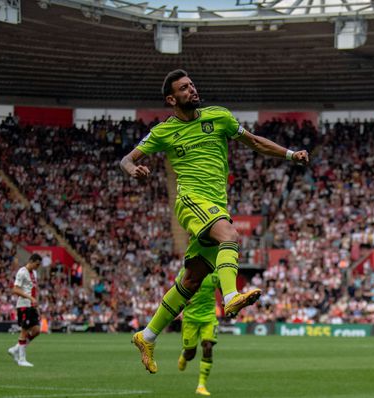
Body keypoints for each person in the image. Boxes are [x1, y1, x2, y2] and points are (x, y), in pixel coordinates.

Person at [120, 69, 309, 373]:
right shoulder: (163, 132)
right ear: (171, 99)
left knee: (192, 280)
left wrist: (290, 155)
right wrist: (133, 170)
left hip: (215, 203)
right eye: (184, 88)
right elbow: (127, 159)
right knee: (229, 235)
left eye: (192, 85)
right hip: (191, 200)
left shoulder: (218, 116)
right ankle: (231, 296)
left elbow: (255, 142)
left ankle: (147, 335)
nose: (192, 90)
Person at [176, 257, 220, 396]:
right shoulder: (185, 271)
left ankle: (201, 385)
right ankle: (184, 355)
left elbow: (224, 289)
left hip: (208, 317)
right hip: (190, 318)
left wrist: (228, 300)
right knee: (191, 353)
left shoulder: (216, 273)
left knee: (207, 347)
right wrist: (182, 300)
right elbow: (176, 289)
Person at [7, 253, 42, 367]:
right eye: (36, 264)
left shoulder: (34, 273)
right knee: (24, 331)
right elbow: (15, 289)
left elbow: (32, 289)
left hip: (31, 306)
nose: (37, 267)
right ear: (31, 261)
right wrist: (30, 297)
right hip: (23, 305)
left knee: (36, 331)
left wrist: (35, 302)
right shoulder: (22, 272)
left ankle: (16, 349)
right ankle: (22, 359)